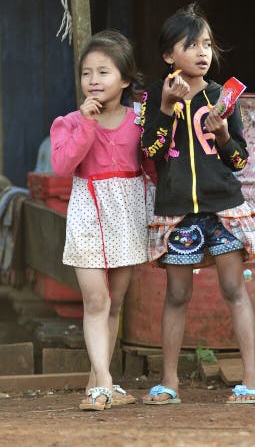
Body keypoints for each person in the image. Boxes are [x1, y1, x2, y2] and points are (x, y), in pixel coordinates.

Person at [140, 3, 255, 405]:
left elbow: (240, 161)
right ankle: (170, 382)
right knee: (177, 295)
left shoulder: (223, 98)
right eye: (191, 44)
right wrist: (164, 110)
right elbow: (151, 151)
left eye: (207, 44)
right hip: (177, 212)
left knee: (234, 289)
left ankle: (251, 379)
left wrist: (226, 135)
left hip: (223, 209)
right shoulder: (154, 99)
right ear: (167, 55)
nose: (202, 52)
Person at [50, 30, 150, 410]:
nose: (93, 80)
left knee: (115, 302)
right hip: (89, 214)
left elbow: (154, 163)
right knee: (96, 300)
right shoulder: (69, 123)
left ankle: (98, 384)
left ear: (124, 79)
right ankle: (104, 382)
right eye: (87, 73)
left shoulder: (140, 120)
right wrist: (87, 125)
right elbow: (62, 166)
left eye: (103, 72)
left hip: (127, 213)